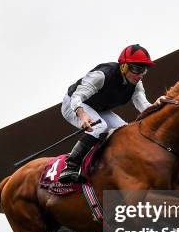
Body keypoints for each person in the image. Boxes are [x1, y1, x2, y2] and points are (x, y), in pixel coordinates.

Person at [59, 44, 163, 183]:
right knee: (99, 126)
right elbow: (77, 97)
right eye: (137, 69)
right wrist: (83, 116)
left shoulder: (136, 84)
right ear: (124, 66)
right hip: (73, 103)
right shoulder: (102, 75)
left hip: (98, 108)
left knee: (125, 130)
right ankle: (70, 166)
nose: (140, 75)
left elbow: (144, 106)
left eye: (144, 70)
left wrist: (159, 106)